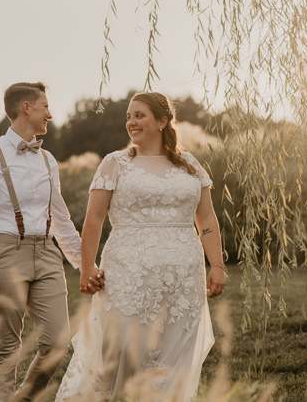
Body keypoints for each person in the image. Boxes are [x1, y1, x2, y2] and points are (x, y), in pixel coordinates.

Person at [56, 91, 226, 401]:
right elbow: (93, 218)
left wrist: (216, 265)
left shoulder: (189, 164)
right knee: (121, 351)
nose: (131, 122)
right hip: (128, 274)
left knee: (174, 355)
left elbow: (206, 219)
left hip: (184, 276)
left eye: (139, 115)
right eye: (129, 117)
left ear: (162, 121)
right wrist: (88, 267)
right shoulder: (115, 163)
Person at [0, 82, 104, 402]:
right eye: (45, 107)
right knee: (6, 348)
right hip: (4, 252)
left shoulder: (48, 160)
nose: (50, 115)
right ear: (27, 107)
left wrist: (86, 266)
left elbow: (62, 220)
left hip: (47, 254)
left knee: (57, 343)